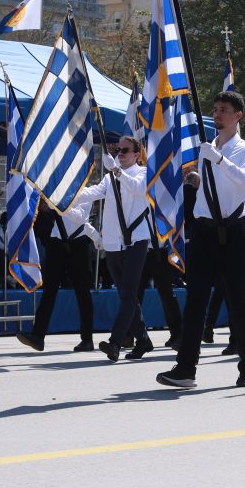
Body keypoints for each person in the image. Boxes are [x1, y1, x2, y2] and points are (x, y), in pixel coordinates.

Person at [157, 91, 245, 388]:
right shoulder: (207, 147)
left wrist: (216, 159)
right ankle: (186, 368)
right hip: (203, 231)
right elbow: (216, 188)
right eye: (215, 109)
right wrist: (198, 180)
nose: (217, 114)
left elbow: (243, 183)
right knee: (196, 300)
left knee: (240, 300)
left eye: (224, 110)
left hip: (233, 230)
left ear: (238, 115)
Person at [73, 135, 153, 362]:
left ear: (137, 154)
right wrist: (70, 197)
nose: (120, 154)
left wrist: (117, 171)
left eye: (125, 150)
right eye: (118, 150)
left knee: (128, 292)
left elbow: (138, 189)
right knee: (125, 294)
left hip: (136, 239)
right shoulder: (111, 178)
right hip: (113, 241)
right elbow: (95, 192)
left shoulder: (143, 173)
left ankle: (115, 342)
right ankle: (144, 340)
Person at [17, 205, 100, 353]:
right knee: (49, 290)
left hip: (77, 244)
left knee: (82, 293)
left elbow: (79, 217)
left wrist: (58, 203)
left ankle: (87, 339)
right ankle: (38, 335)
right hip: (56, 242)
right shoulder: (59, 192)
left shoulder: (86, 192)